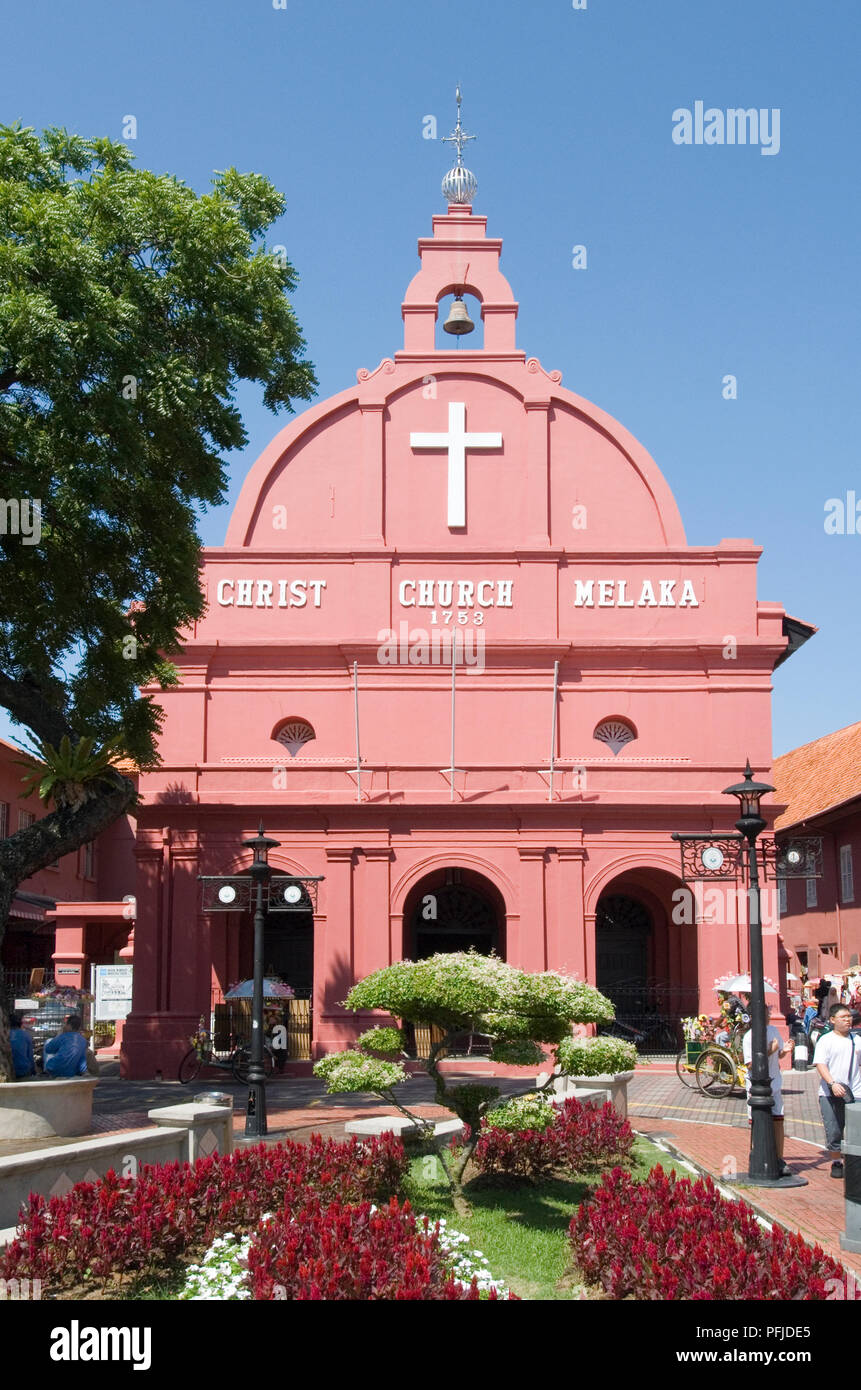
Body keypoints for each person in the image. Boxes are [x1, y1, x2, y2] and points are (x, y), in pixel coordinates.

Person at [742, 1004, 793, 1176]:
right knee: (756, 1122)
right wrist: (770, 1050)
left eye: (768, 1012)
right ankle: (756, 1155)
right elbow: (750, 1065)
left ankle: (779, 1159)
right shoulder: (749, 1037)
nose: (768, 1015)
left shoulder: (772, 1030)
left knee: (778, 1120)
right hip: (756, 1087)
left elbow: (778, 1054)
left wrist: (783, 1051)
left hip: (775, 1083)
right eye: (765, 1013)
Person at [813, 1002, 861, 1179]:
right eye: (843, 1017)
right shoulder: (826, 1040)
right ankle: (836, 1162)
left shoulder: (857, 1040)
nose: (848, 1020)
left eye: (849, 1017)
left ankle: (855, 1164)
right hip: (830, 1093)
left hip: (855, 1093)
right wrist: (832, 1083)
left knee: (857, 1130)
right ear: (833, 1020)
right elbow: (820, 1064)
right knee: (834, 1130)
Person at [42, 1014, 88, 1078]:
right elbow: (82, 1060)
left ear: (69, 1026)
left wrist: (58, 1035)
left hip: (54, 1068)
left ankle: (45, 1071)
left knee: (48, 1041)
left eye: (65, 1024)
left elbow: (48, 1049)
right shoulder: (83, 1040)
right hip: (71, 1072)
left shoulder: (63, 1036)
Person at [8, 1011, 35, 1079]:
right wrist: (33, 1070)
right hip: (23, 1069)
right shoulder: (26, 1035)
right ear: (20, 1024)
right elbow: (30, 1056)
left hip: (7, 1069)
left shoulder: (5, 1035)